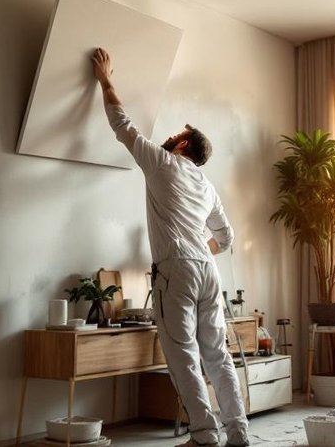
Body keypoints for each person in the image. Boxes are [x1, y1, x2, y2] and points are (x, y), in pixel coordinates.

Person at [91, 47, 249, 447]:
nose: (171, 136)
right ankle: (238, 432)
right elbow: (226, 238)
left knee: (182, 356)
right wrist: (199, 251)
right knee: (217, 355)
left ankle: (205, 436)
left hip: (177, 269)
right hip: (208, 271)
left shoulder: (161, 163)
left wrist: (106, 80)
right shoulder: (207, 186)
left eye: (177, 134)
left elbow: (121, 123)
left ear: (183, 145)